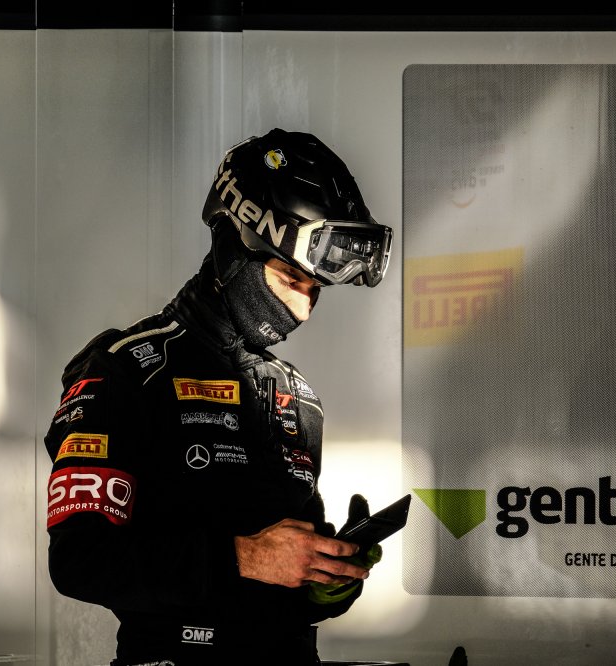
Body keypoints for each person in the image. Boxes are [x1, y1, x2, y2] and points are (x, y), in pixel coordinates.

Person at [45, 128, 392, 665]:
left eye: (317, 289)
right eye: (291, 278)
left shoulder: (297, 398)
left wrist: (328, 578)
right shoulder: (127, 370)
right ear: (237, 250)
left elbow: (287, 588)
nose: (304, 308)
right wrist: (245, 557)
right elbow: (80, 561)